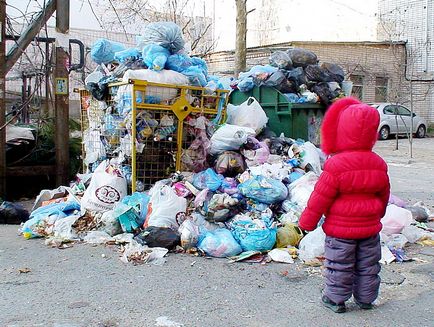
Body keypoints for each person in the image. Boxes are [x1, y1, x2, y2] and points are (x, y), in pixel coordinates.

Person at [298, 97, 390, 313]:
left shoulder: (336, 164)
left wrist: (307, 223)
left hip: (340, 231)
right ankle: (366, 299)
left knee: (339, 265)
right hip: (369, 229)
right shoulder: (378, 163)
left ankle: (336, 300)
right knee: (368, 265)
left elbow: (320, 198)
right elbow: (384, 194)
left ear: (342, 130)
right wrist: (378, 214)